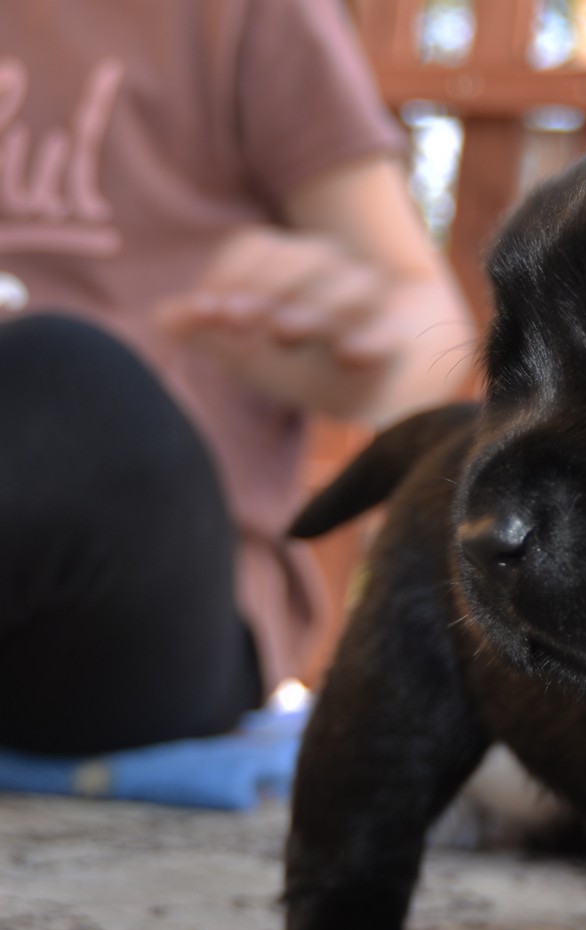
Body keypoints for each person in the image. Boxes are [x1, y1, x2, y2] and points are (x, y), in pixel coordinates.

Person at [0, 0, 475, 755]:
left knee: (66, 383)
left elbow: (429, 329)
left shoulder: (245, 14)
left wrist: (356, 337)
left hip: (148, 589)